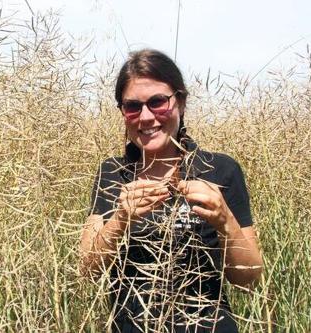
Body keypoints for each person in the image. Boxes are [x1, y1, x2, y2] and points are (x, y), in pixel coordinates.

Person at [79, 49, 263, 333]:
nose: (146, 117)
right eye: (132, 107)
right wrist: (121, 219)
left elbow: (248, 278)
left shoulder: (221, 170)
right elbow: (88, 270)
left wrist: (224, 219)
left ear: (182, 102)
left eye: (158, 103)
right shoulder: (112, 174)